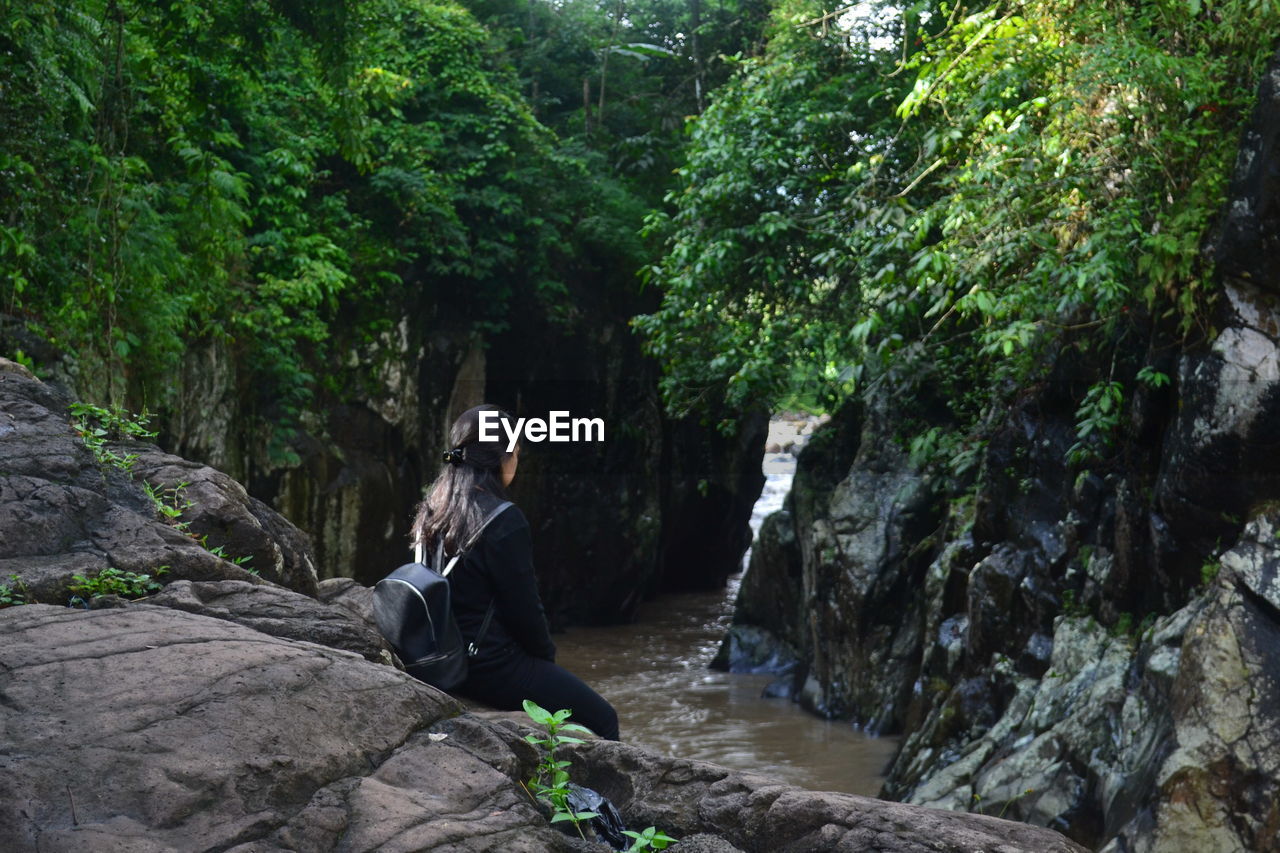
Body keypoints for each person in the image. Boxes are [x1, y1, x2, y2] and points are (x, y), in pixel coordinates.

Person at [410, 403, 620, 741]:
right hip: (487, 668)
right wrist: (545, 663)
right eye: (516, 453)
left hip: (434, 657)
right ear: (502, 458)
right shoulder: (503, 519)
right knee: (604, 719)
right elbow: (524, 608)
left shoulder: (433, 506)